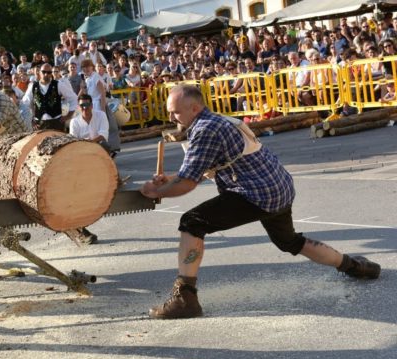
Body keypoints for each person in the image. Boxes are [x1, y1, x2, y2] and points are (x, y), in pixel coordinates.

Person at [139, 85, 381, 320]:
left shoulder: (205, 130)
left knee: (192, 222)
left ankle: (185, 299)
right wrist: (169, 180)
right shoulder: (218, 121)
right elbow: (200, 169)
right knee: (289, 241)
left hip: (255, 193)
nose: (171, 117)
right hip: (278, 187)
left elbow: (186, 184)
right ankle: (354, 266)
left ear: (194, 108)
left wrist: (153, 192)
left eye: (176, 111)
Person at [21, 63, 77, 131]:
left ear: (51, 73)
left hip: (56, 123)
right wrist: (30, 119)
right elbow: (24, 103)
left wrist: (68, 116)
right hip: (39, 124)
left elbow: (73, 98)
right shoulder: (33, 86)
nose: (46, 74)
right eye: (44, 72)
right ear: (39, 72)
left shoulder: (58, 84)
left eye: (49, 72)